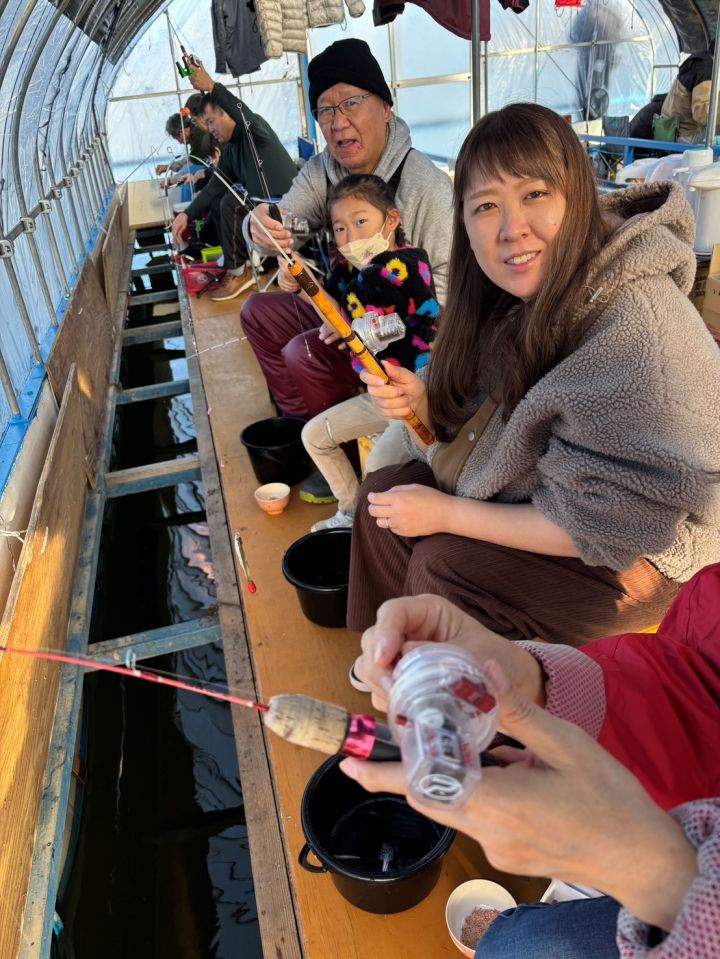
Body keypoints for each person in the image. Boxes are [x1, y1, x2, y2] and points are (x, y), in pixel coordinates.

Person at [347, 102, 720, 646]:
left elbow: (612, 521)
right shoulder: (514, 296)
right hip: (555, 493)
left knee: (443, 565)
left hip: (648, 553)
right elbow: (491, 424)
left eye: (535, 194)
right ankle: (385, 653)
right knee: (381, 496)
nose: (511, 229)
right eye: (486, 205)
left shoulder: (639, 335)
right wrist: (422, 404)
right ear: (463, 222)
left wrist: (448, 513)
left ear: (577, 195)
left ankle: (441, 692)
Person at [343, 578, 720, 957]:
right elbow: (694, 686)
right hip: (681, 823)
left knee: (512, 947)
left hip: (681, 893)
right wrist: (534, 681)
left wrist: (647, 870)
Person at [240, 38, 453, 503]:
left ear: (386, 108)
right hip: (346, 305)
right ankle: (306, 429)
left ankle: (348, 456)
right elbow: (285, 219)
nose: (338, 123)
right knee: (258, 311)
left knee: (304, 352)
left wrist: (368, 326)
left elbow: (448, 290)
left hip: (406, 338)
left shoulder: (426, 187)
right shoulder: (322, 171)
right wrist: (260, 227)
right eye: (325, 111)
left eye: (351, 103)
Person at [292, 174, 439, 532]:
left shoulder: (403, 267)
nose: (351, 237)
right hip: (381, 394)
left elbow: (354, 322)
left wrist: (311, 290)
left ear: (391, 220)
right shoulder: (352, 272)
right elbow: (334, 315)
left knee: (376, 473)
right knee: (314, 436)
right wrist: (300, 283)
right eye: (340, 229)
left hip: (416, 397)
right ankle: (349, 512)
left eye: (360, 222)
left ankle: (370, 529)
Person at [170, 60, 298, 301]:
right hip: (265, 213)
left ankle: (239, 271)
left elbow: (243, 113)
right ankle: (236, 265)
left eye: (210, 121)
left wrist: (212, 86)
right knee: (222, 199)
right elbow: (213, 188)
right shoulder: (230, 151)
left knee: (231, 202)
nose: (209, 129)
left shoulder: (255, 130)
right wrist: (186, 215)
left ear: (228, 114)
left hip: (291, 211)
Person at [660, 40, 718, 143]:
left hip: (668, 130)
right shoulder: (707, 70)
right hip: (685, 135)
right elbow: (701, 115)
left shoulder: (698, 60)